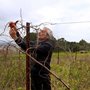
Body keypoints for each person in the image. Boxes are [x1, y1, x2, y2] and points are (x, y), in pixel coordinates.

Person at [9, 22, 54, 90]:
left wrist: (15, 37)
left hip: (42, 77)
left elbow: (28, 47)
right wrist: (16, 30)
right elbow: (25, 42)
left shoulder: (48, 45)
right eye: (40, 31)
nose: (40, 32)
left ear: (47, 36)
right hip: (33, 75)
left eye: (43, 32)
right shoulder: (36, 43)